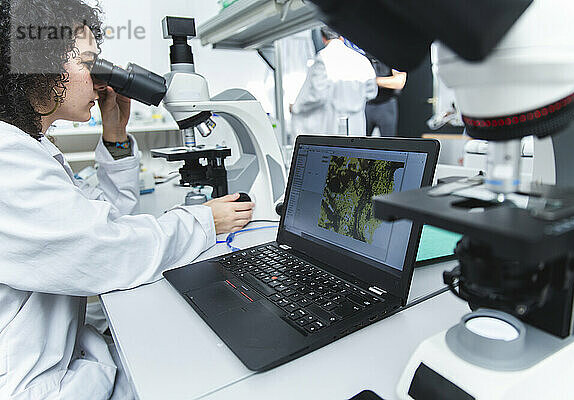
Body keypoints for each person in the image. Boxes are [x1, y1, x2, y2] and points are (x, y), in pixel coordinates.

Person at [0, 1, 254, 399]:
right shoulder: (6, 159)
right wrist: (204, 221)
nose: (102, 80)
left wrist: (115, 133)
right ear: (40, 66)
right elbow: (104, 249)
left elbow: (90, 225)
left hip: (64, 359)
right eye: (89, 62)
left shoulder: (25, 145)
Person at [290, 27, 377, 136]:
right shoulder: (362, 59)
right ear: (342, 37)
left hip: (331, 123)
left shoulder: (323, 58)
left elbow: (316, 94)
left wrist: (296, 107)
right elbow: (371, 93)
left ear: (322, 38)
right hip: (356, 123)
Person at [366, 57, 407, 137]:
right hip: (365, 104)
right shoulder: (360, 51)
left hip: (386, 104)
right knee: (358, 143)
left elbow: (399, 81)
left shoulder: (391, 54)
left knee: (389, 144)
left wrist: (372, 81)